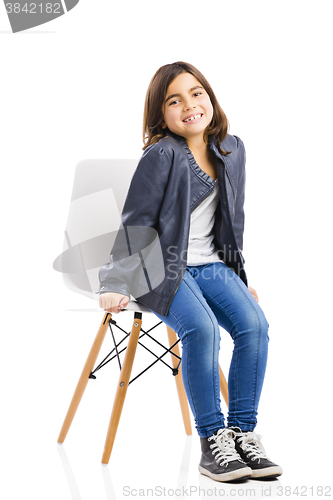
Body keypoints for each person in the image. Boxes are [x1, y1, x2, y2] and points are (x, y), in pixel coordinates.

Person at [98, 61, 282, 482]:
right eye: (174, 100)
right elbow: (137, 222)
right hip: (163, 266)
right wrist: (115, 281)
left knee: (255, 326)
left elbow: (231, 222)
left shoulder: (233, 148)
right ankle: (211, 441)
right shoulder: (162, 154)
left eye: (197, 93)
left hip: (213, 266)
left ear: (210, 98)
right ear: (160, 115)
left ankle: (242, 433)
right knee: (202, 330)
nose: (190, 105)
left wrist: (238, 277)